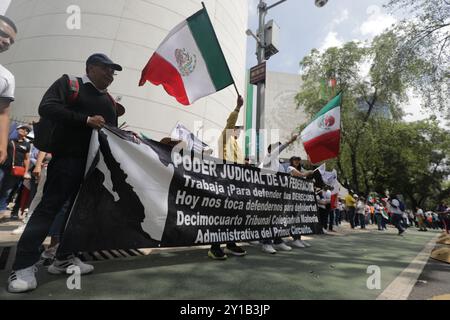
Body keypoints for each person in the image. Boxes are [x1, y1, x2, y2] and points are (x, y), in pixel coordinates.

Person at [7, 53, 123, 293]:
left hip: (92, 168)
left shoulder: (110, 102)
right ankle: (23, 266)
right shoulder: (70, 84)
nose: (111, 75)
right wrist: (85, 120)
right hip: (66, 160)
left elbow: (110, 133)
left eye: (113, 72)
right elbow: (47, 107)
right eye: (106, 69)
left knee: (77, 214)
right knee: (48, 210)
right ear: (91, 68)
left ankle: (64, 258)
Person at [207, 95, 247, 260]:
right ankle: (214, 247)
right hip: (225, 183)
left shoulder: (238, 145)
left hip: (237, 185)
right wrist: (237, 108)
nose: (239, 130)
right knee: (221, 216)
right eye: (238, 128)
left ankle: (230, 244)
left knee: (234, 216)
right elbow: (229, 124)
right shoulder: (224, 139)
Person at [0, 16, 17, 222]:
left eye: (11, 41)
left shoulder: (6, 77)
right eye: (4, 35)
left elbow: (3, 112)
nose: (7, 42)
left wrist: (3, 145)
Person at [0, 125, 31, 219]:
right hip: (3, 167)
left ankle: (1, 211)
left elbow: (27, 159)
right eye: (22, 128)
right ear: (17, 129)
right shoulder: (9, 140)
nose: (23, 130)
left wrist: (26, 172)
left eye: (26, 130)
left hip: (15, 171)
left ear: (27, 134)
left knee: (6, 191)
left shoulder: (27, 144)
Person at [287, 156, 313, 248]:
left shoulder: (301, 169)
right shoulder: (290, 168)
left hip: (299, 198)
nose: (297, 161)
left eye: (298, 160)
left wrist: (310, 169)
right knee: (292, 219)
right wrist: (307, 173)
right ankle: (295, 239)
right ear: (291, 161)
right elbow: (301, 175)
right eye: (295, 160)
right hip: (291, 198)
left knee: (299, 219)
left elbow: (307, 174)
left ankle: (298, 238)